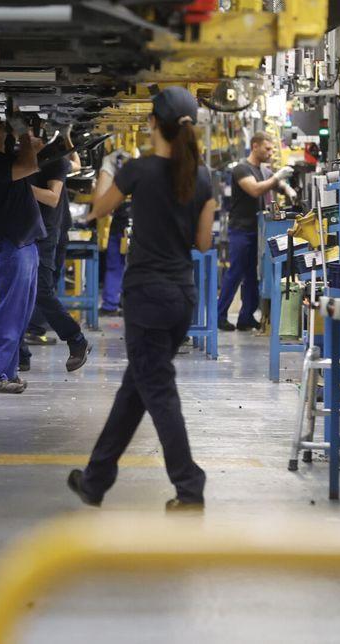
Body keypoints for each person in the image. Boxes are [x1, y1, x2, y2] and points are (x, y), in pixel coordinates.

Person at [68, 87, 217, 511]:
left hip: (148, 298)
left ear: (153, 123)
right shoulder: (202, 177)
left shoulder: (138, 170)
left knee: (158, 392)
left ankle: (189, 487)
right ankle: (95, 480)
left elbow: (97, 210)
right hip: (181, 298)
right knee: (136, 388)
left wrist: (107, 170)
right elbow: (204, 243)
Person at [0, 112, 42, 394]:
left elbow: (32, 156)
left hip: (24, 244)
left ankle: (6, 371)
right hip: (10, 244)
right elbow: (29, 164)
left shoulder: (2, 156)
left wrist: (27, 135)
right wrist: (23, 132)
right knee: (8, 313)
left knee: (20, 315)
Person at [217, 131, 295, 332]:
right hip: (241, 230)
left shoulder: (262, 170)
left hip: (257, 230)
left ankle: (246, 317)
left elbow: (277, 184)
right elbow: (255, 190)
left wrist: (287, 189)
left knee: (252, 275)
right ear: (255, 146)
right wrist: (277, 177)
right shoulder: (242, 169)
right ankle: (220, 315)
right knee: (235, 272)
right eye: (267, 148)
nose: (270, 152)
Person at [26, 142, 91, 374]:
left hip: (46, 235)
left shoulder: (54, 159)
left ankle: (75, 338)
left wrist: (18, 185)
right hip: (24, 233)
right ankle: (20, 353)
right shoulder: (17, 156)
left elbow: (55, 195)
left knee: (42, 290)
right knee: (21, 293)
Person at [97, 145, 133, 315]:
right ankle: (114, 304)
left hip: (123, 223)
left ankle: (113, 304)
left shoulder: (112, 162)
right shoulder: (114, 162)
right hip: (123, 223)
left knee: (119, 265)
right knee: (119, 265)